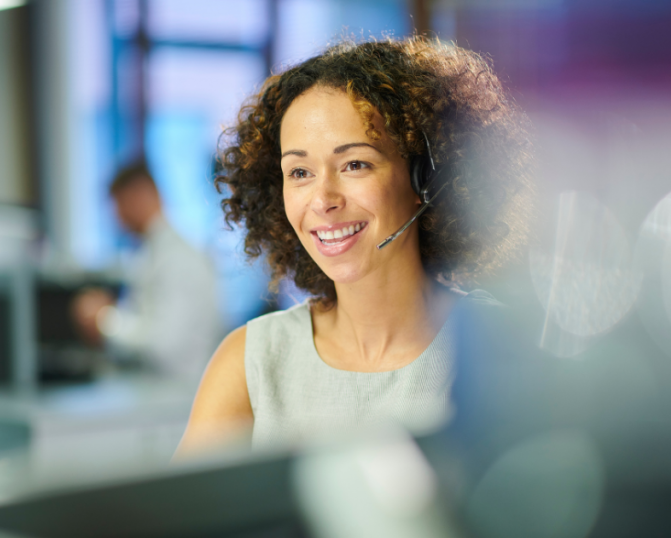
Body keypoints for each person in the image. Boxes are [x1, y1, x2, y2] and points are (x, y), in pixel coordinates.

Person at [175, 36, 533, 456]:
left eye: (355, 164)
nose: (324, 199)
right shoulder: (249, 362)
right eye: (300, 172)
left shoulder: (505, 352)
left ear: (426, 178)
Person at [72, 163, 222, 381]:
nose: (116, 218)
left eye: (117, 205)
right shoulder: (151, 253)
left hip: (176, 395)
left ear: (138, 196)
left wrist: (106, 319)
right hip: (160, 391)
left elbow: (165, 345)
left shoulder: (178, 258)